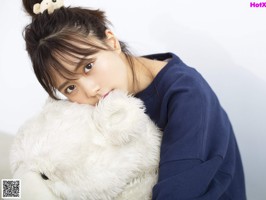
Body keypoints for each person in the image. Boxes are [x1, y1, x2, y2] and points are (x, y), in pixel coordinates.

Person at [22, 0, 247, 199]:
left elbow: (176, 193)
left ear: (111, 42)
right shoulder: (96, 105)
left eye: (88, 66)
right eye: (70, 87)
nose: (90, 90)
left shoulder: (187, 96)